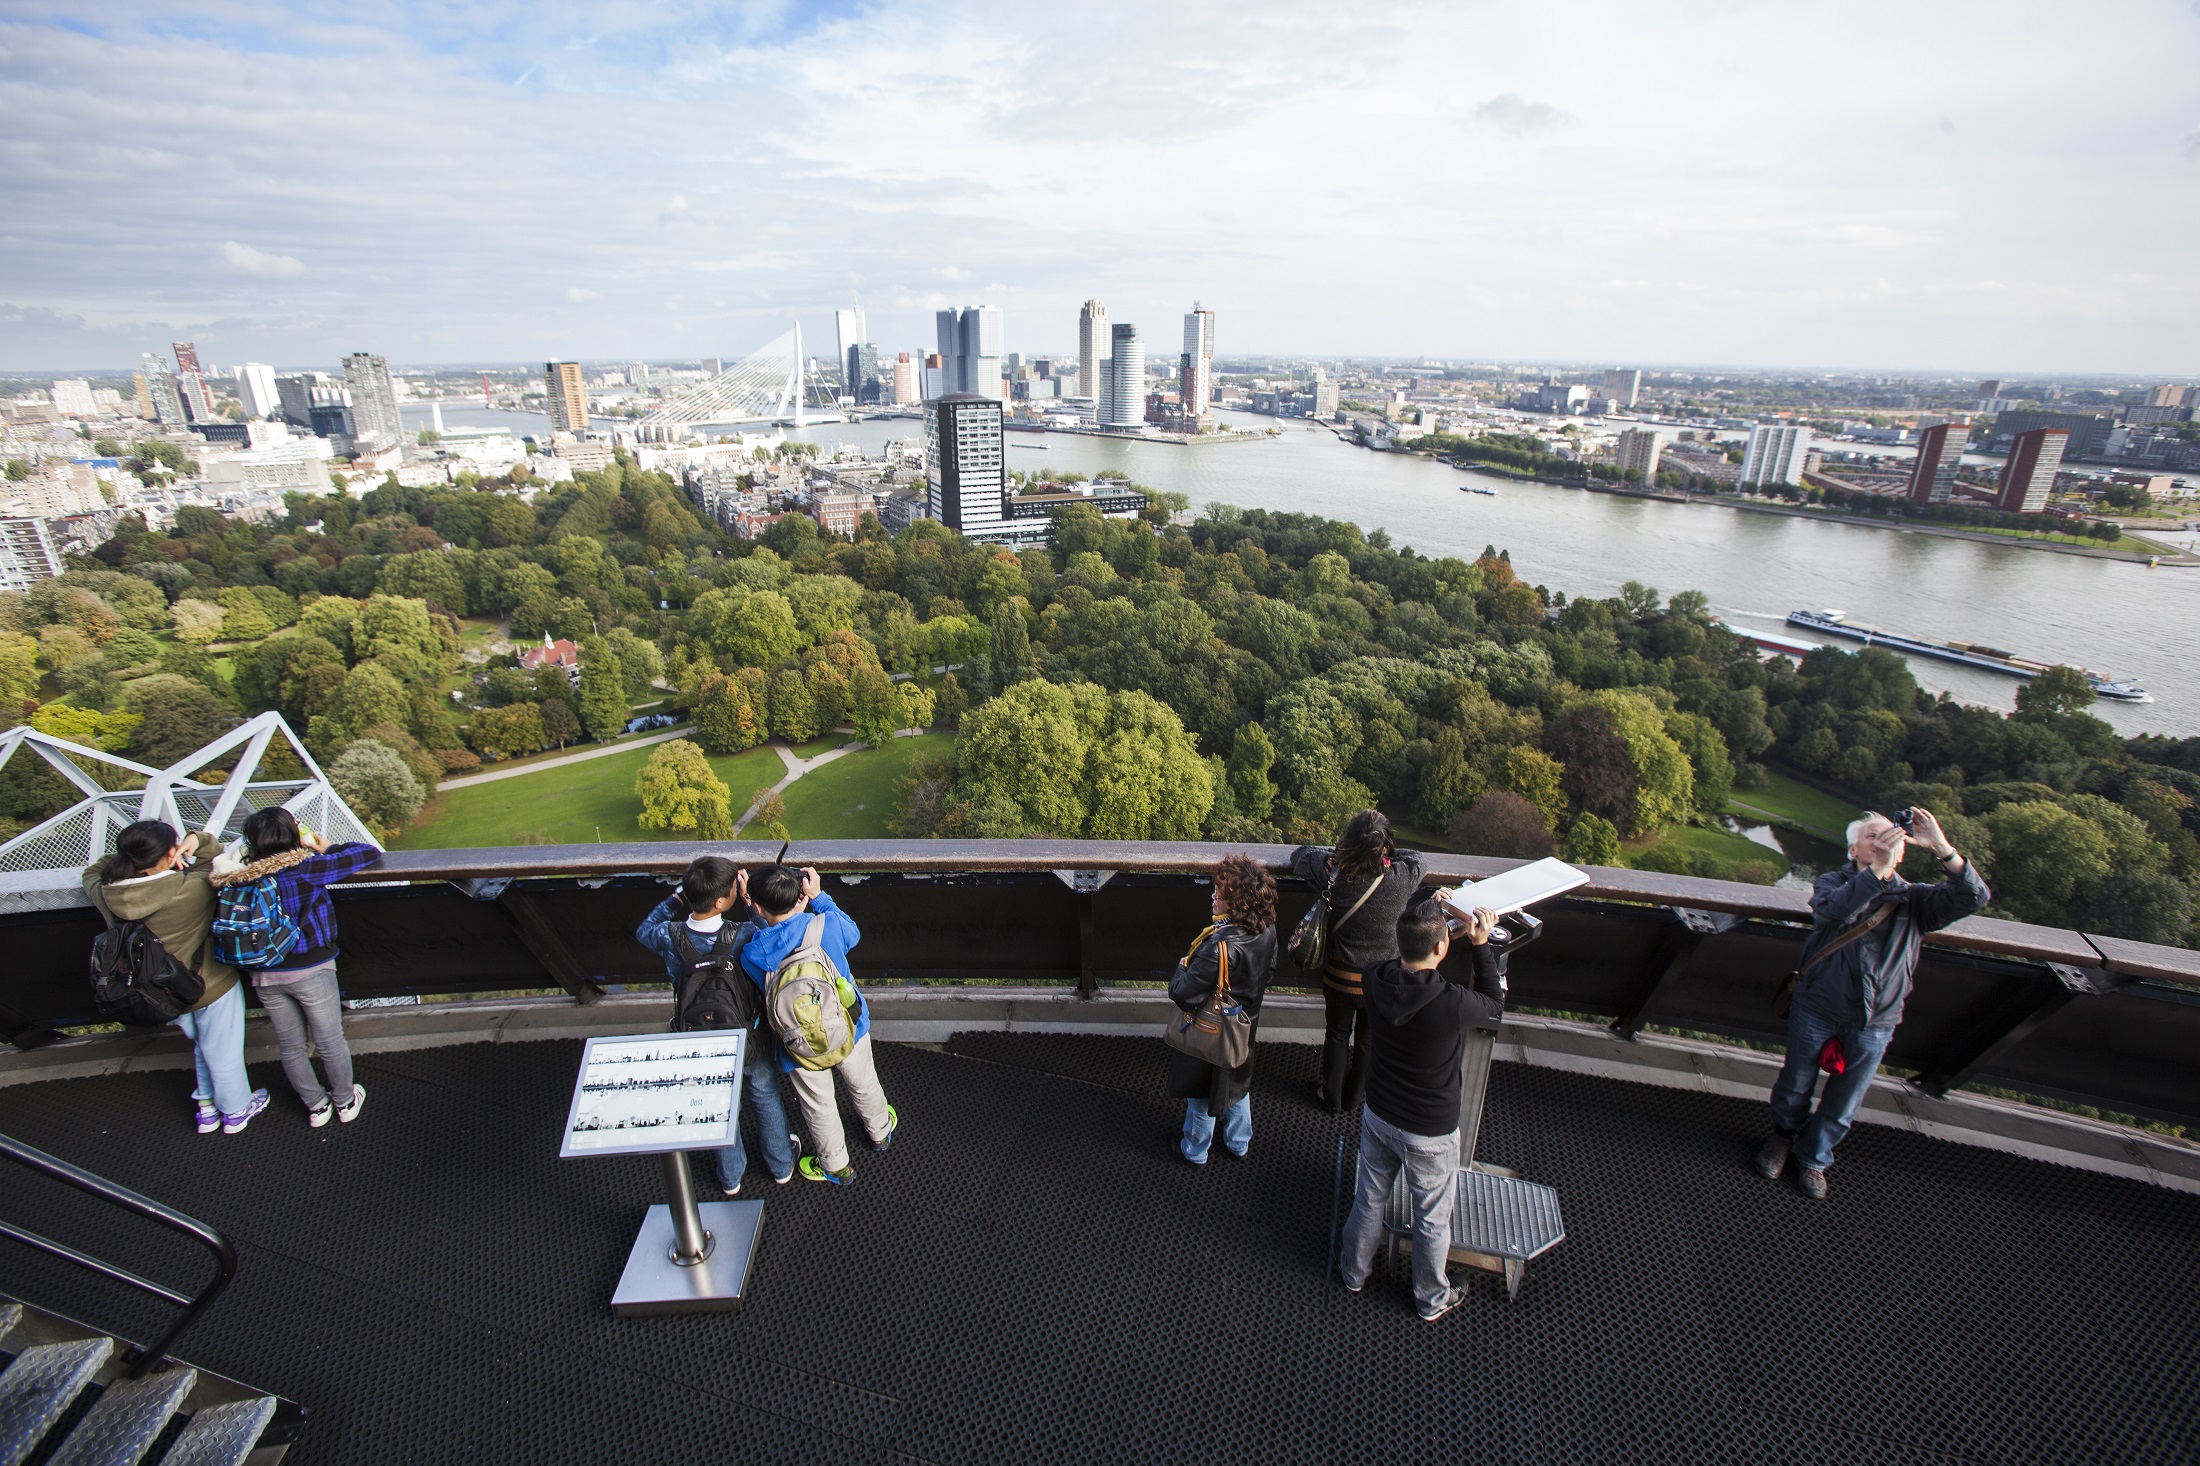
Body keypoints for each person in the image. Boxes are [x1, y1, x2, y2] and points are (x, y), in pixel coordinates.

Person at [1755, 807, 1987, 1201]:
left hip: (1876, 1019)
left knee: (1847, 1098)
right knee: (1795, 1082)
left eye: (1891, 838)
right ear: (1852, 850)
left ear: (1903, 853)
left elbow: (1974, 896)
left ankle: (1814, 1158)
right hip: (1818, 1006)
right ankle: (1782, 1138)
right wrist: (1877, 872)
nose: (1883, 842)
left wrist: (1943, 848)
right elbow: (1834, 911)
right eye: (1872, 837)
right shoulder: (1832, 883)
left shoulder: (1916, 901)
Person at [1337, 894, 1506, 1322]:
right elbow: (1493, 1006)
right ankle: (1431, 1298)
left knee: (1369, 1197)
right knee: (1432, 1217)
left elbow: (1408, 954)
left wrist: (1432, 915)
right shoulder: (1451, 1003)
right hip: (1430, 1130)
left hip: (1379, 1114)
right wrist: (1482, 944)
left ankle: (1353, 1272)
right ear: (1443, 948)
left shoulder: (1375, 978)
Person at [84, 819, 269, 1135]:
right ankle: (236, 1112)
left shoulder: (107, 895)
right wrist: (195, 840)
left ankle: (207, 1107)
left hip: (158, 992)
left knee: (204, 1047)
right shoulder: (193, 888)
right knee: (222, 1050)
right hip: (209, 985)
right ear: (172, 852)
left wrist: (123, 859)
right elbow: (219, 856)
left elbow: (92, 872)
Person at [634, 856, 799, 1194]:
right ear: (726, 899)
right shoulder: (745, 933)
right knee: (764, 1094)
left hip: (698, 1043)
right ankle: (781, 1164)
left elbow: (643, 929)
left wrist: (677, 898)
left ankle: (731, 1176)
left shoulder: (669, 935)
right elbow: (773, 932)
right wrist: (751, 901)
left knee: (717, 1105)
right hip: (747, 1036)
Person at [210, 809, 381, 1127]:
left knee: (290, 1045)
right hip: (311, 966)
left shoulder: (242, 874)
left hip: (263, 971)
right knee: (329, 1039)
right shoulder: (306, 867)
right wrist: (324, 845)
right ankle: (344, 1102)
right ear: (292, 835)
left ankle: (316, 1107)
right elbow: (368, 853)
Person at [740, 864, 896, 1186]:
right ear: (802, 896)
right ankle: (880, 1131)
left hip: (797, 1046)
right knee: (864, 1082)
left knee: (819, 1104)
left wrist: (751, 906)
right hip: (849, 1025)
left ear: (756, 905)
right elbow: (854, 933)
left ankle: (836, 1166)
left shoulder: (752, 953)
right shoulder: (826, 924)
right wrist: (820, 896)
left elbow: (765, 976)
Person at [1292, 811, 1426, 1113]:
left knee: (1337, 1034)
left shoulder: (1333, 874)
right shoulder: (1401, 878)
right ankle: (1355, 1100)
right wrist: (1384, 851)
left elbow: (1300, 854)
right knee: (1368, 1040)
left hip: (1340, 974)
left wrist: (1342, 855)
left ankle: (1332, 1097)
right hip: (1382, 979)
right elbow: (1418, 858)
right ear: (1386, 848)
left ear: (1348, 842)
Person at [1166, 852, 1279, 1165]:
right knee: (1237, 1086)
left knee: (1203, 1096)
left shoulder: (1219, 948)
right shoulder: (1267, 929)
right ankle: (1238, 1144)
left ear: (1238, 903)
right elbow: (1268, 972)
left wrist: (1182, 967)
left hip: (1212, 1028)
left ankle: (1194, 1151)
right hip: (1245, 1023)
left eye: (1221, 892)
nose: (1213, 895)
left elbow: (1182, 993)